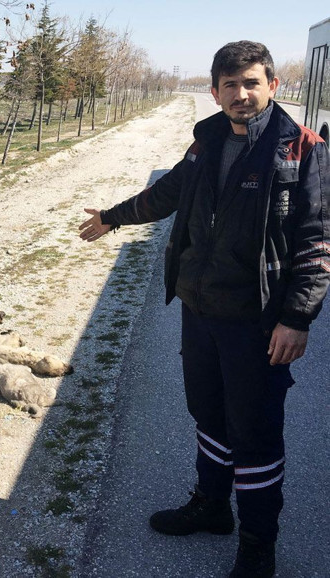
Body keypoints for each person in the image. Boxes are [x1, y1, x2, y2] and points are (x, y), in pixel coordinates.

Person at [79, 40, 329, 578]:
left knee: (255, 431)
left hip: (259, 322)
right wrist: (113, 217)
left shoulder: (301, 149)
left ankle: (259, 545)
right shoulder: (206, 142)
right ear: (215, 91)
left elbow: (317, 241)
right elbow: (167, 192)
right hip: (200, 311)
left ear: (273, 86)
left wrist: (297, 318)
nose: (242, 94)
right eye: (231, 85)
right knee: (209, 413)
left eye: (252, 83)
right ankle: (212, 505)